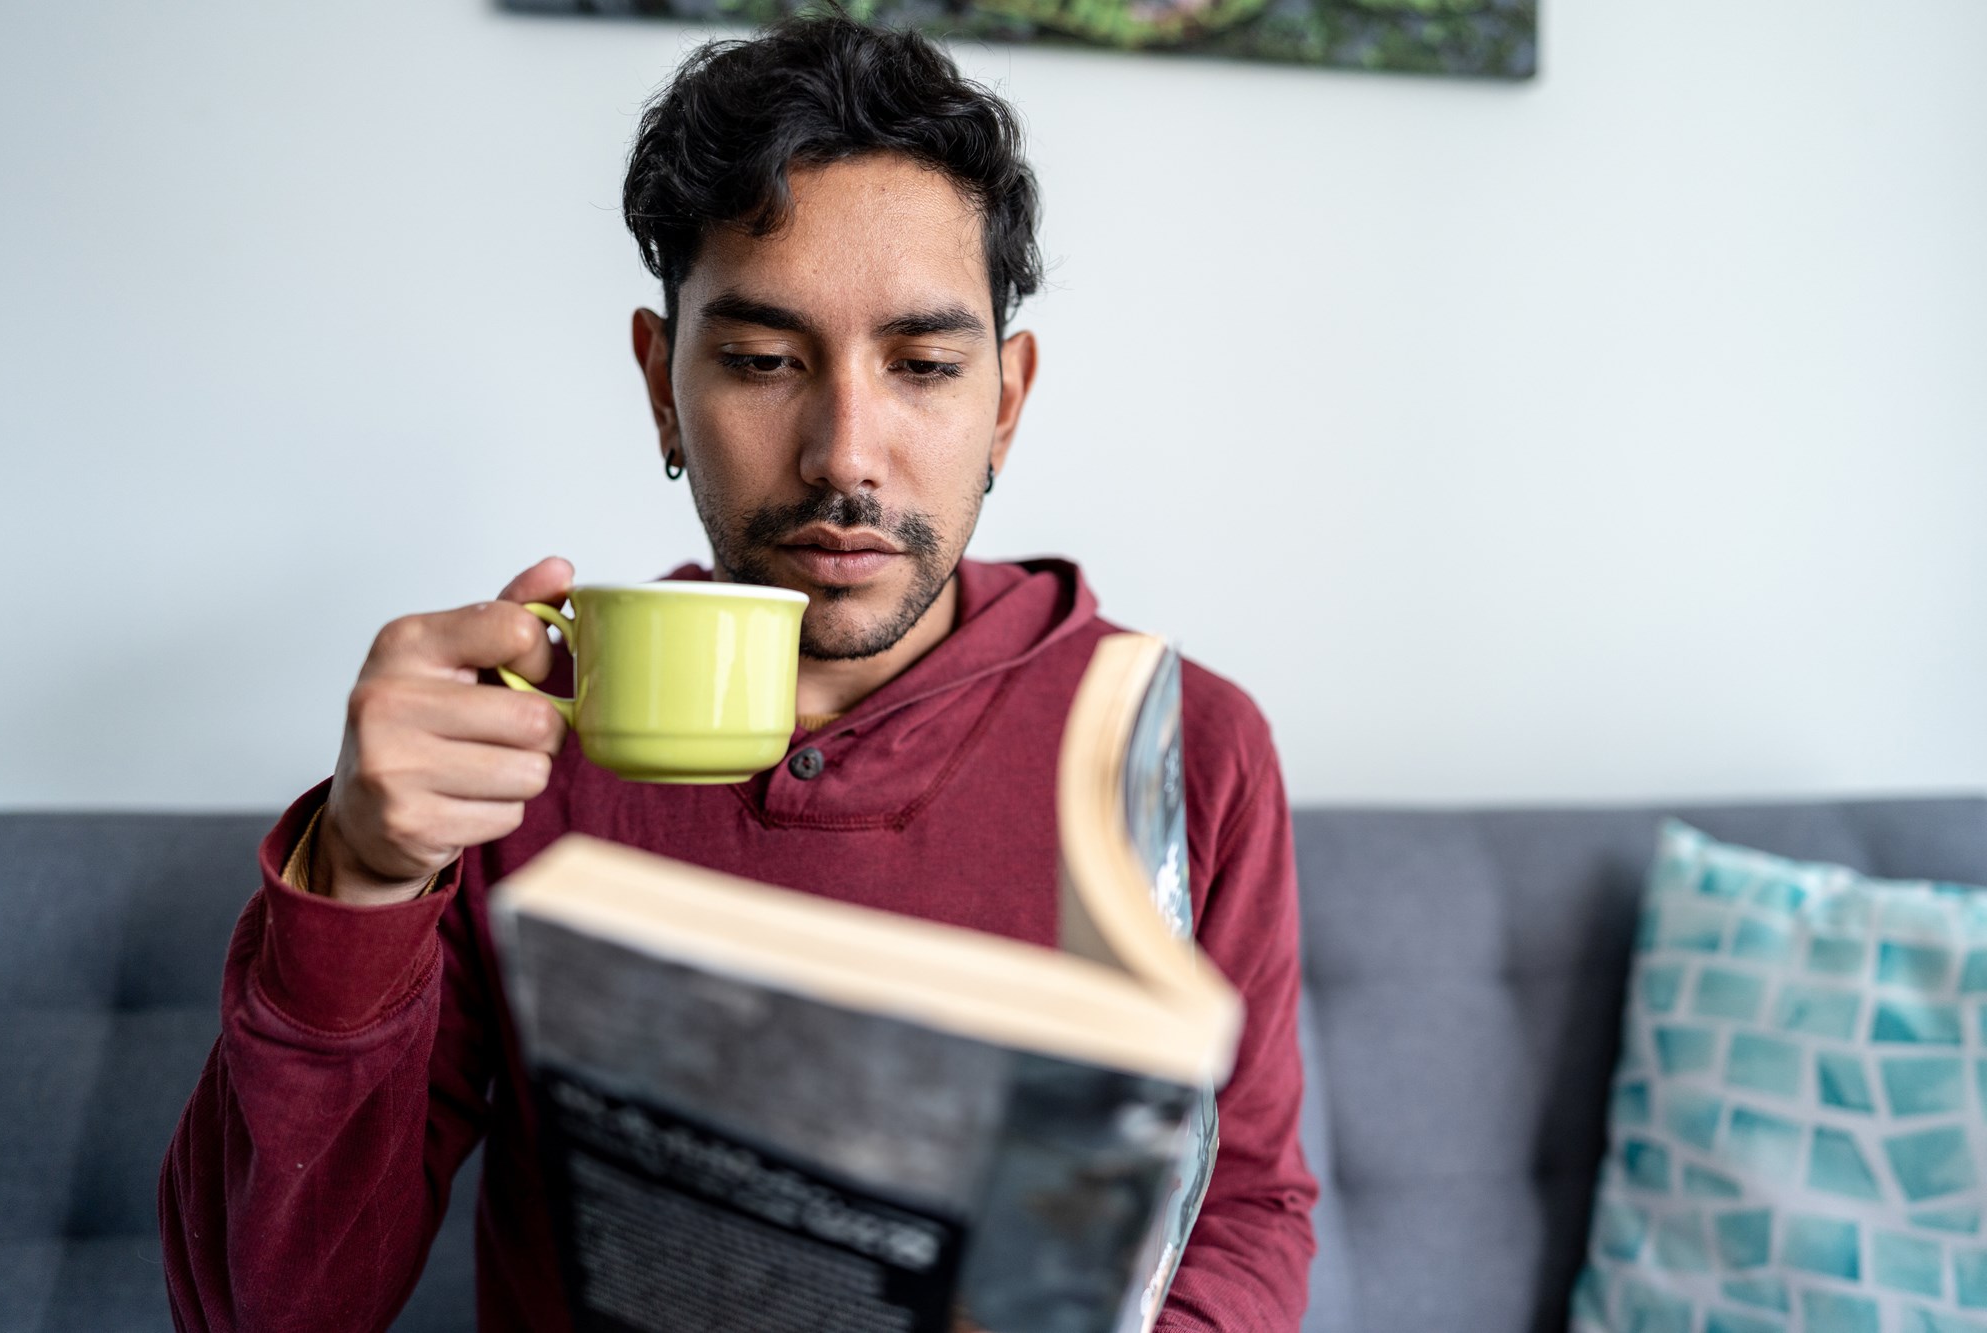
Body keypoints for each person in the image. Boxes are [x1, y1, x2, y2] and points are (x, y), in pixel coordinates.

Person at [159, 12, 1317, 1332]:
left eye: (926, 365)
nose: (844, 451)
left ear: (1005, 401)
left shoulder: (1188, 745)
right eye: (764, 361)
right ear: (663, 387)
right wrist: (360, 881)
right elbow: (269, 1310)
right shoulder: (511, 755)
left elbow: (1247, 1206)